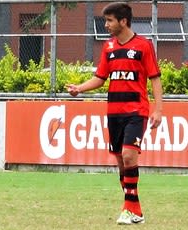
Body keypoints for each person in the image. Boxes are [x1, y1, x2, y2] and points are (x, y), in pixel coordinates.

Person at [66, 2, 163, 225]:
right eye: (106, 20)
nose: (106, 25)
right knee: (121, 162)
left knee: (130, 156)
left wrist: (158, 110)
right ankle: (134, 209)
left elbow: (155, 79)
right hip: (114, 113)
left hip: (136, 111)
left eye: (110, 21)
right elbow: (100, 78)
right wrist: (79, 88)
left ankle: (130, 209)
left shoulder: (143, 46)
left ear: (123, 21)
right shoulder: (108, 47)